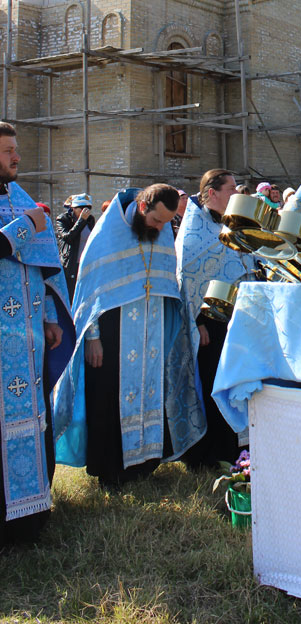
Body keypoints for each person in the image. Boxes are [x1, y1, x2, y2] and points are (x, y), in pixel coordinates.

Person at [54, 184, 205, 488]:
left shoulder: (160, 231)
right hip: (112, 334)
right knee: (109, 397)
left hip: (152, 332)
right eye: (157, 221)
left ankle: (145, 464)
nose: (162, 228)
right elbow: (90, 291)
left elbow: (167, 279)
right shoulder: (107, 234)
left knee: (152, 393)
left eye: (167, 222)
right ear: (141, 208)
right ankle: (111, 470)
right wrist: (93, 337)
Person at [0, 122, 74, 545]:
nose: (17, 157)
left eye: (16, 150)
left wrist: (49, 316)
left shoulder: (20, 197)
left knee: (31, 422)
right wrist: (26, 225)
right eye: (9, 150)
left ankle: (31, 515)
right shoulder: (24, 210)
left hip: (25, 341)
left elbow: (42, 266)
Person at [176, 170, 258, 468]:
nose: (236, 193)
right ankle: (213, 452)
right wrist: (197, 322)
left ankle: (237, 446)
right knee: (212, 382)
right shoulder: (194, 231)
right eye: (231, 188)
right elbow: (188, 278)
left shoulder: (232, 224)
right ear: (211, 193)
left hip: (237, 318)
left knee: (236, 379)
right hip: (209, 323)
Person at [55, 193, 96, 300]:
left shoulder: (90, 220)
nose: (84, 211)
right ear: (73, 208)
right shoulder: (63, 219)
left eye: (87, 208)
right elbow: (68, 237)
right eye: (81, 208)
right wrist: (81, 221)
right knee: (71, 297)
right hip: (71, 264)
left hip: (86, 264)